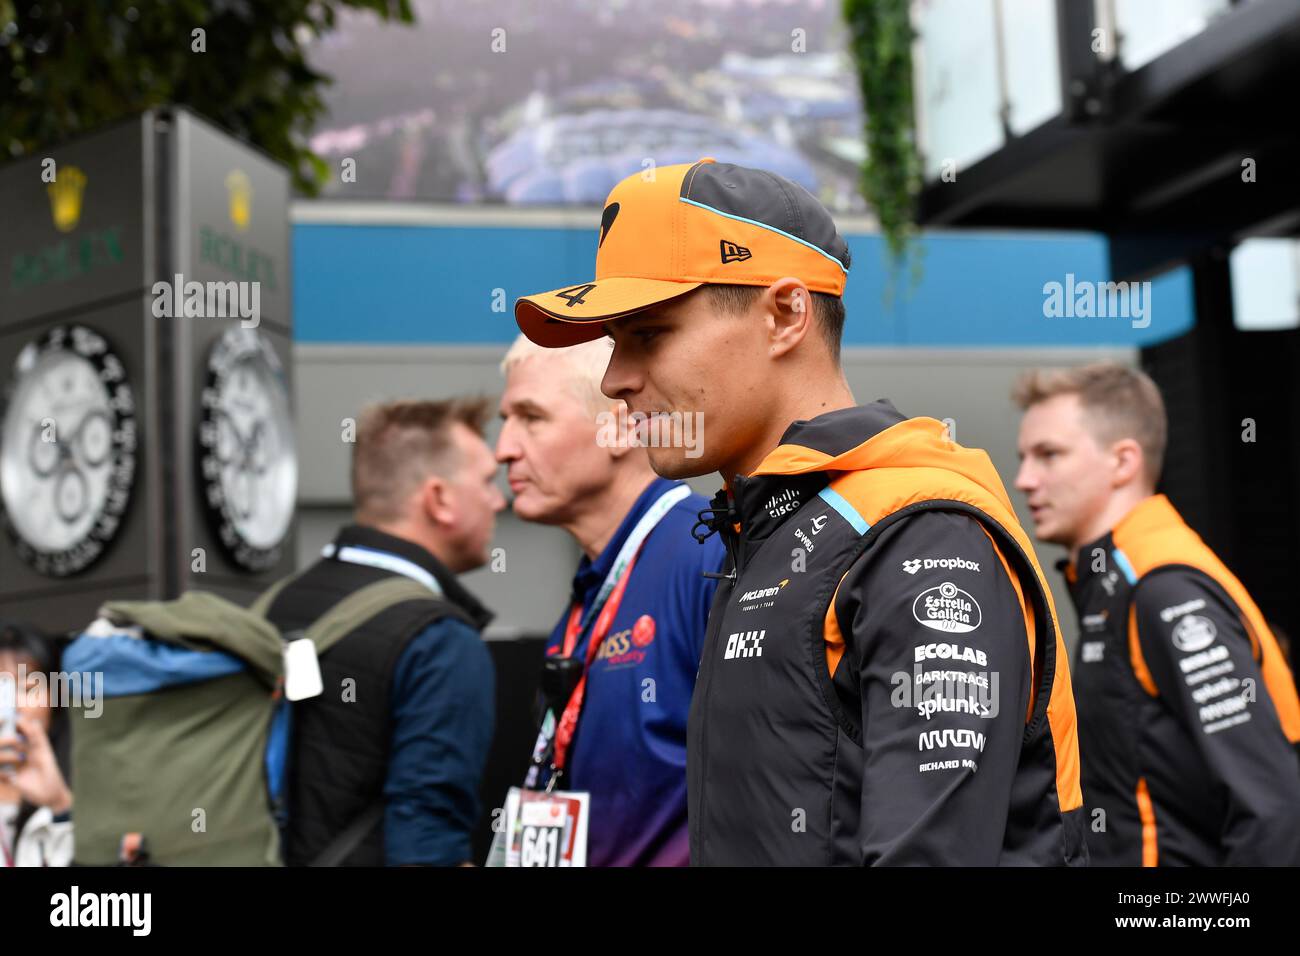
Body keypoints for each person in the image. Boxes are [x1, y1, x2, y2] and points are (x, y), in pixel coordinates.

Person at [514, 157, 1086, 866]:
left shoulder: (917, 538)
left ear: (785, 314)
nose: (615, 380)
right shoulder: (764, 529)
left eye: (648, 334)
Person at [1014, 362, 1300, 865]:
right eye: (1024, 458)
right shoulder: (1114, 578)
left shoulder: (1162, 587)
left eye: (1049, 455)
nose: (1024, 480)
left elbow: (1272, 808)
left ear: (1123, 462)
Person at [496, 335, 725, 866]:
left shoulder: (708, 555)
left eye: (530, 418)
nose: (503, 448)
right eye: (506, 419)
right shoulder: (589, 594)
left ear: (621, 425)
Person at [261, 398, 503, 866]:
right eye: (488, 482)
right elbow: (426, 844)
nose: (499, 500)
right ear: (439, 499)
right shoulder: (440, 641)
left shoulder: (269, 607)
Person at [0, 621, 73, 867]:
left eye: (29, 688)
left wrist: (61, 807)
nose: (15, 705)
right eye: (3, 691)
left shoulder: (89, 785)